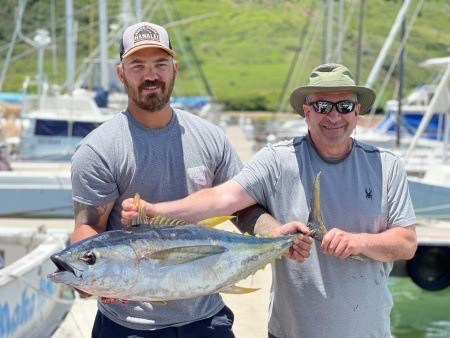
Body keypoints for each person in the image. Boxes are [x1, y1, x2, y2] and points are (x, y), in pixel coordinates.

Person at [122, 63, 418, 338]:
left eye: (344, 106)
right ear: (306, 111)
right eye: (322, 106)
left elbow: (406, 243)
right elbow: (223, 197)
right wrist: (152, 210)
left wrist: (358, 243)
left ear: (357, 112)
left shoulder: (385, 166)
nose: (334, 116)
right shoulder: (277, 160)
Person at [70, 21, 311, 338]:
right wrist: (88, 278)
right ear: (120, 74)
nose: (151, 75)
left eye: (160, 64)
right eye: (138, 66)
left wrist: (276, 233)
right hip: (129, 326)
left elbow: (243, 208)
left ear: (174, 68)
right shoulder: (99, 149)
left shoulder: (210, 138)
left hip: (207, 319)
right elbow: (88, 228)